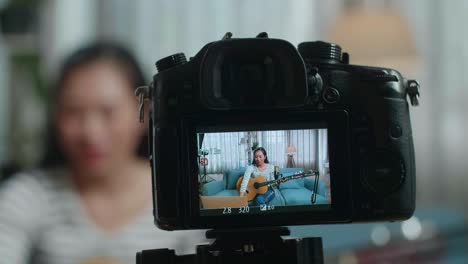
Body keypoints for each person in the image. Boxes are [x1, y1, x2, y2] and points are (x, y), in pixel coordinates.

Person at [0, 42, 206, 264]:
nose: (91, 133)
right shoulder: (27, 196)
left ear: (144, 112)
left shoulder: (183, 195)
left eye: (108, 112)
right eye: (73, 111)